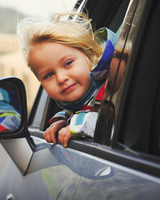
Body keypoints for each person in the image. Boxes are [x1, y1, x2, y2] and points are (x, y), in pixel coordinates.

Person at [17, 12, 118, 147]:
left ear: (90, 55)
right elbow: (82, 110)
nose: (61, 78)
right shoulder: (77, 104)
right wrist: (64, 120)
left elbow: (115, 125)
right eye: (48, 75)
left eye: (68, 63)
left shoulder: (114, 87)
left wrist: (77, 125)